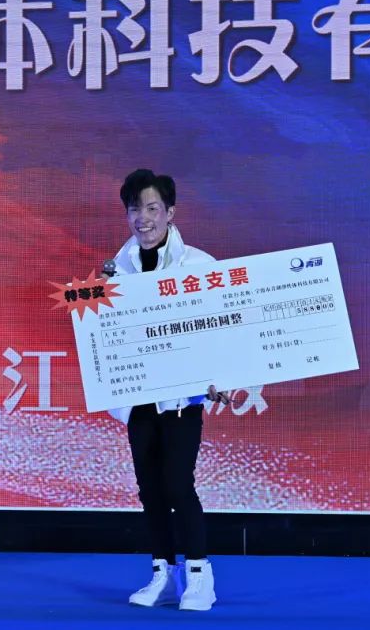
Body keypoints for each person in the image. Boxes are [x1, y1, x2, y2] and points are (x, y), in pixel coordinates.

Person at [107, 169, 230, 612]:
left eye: (152, 208)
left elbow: (224, 328)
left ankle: (199, 575)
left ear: (170, 213)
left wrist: (220, 376)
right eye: (134, 209)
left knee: (178, 485)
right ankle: (163, 572)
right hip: (139, 399)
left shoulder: (198, 266)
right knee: (150, 490)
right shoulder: (114, 269)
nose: (142, 218)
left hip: (181, 399)